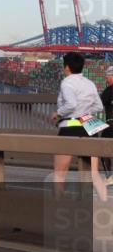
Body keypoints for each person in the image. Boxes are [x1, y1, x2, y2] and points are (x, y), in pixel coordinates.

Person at [48, 52, 107, 201]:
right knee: (94, 173)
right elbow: (99, 107)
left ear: (66, 67)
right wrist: (85, 112)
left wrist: (58, 113)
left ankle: (58, 206)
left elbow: (71, 104)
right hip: (89, 124)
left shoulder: (67, 82)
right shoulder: (89, 83)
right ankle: (106, 204)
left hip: (70, 126)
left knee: (60, 173)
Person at [100, 66, 113, 180]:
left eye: (108, 76)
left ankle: (109, 175)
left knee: (103, 149)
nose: (106, 79)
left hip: (111, 126)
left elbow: (98, 105)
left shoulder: (108, 91)